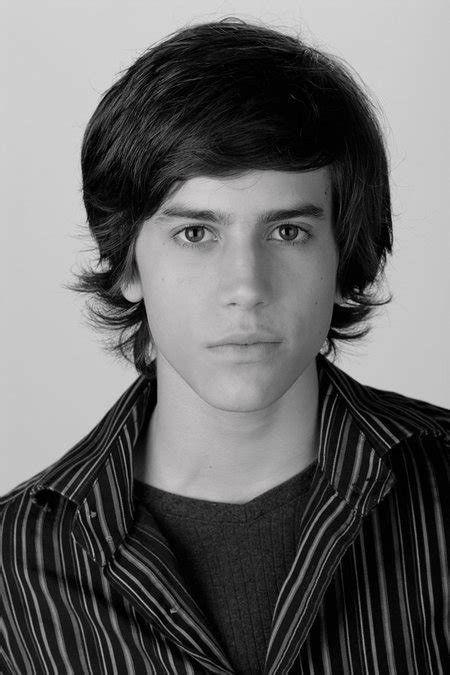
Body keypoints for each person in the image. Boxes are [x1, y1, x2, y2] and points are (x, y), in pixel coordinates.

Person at [1, 17, 448, 675]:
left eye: (288, 232)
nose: (245, 287)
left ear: (341, 258)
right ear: (128, 265)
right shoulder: (15, 565)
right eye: (195, 234)